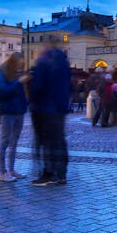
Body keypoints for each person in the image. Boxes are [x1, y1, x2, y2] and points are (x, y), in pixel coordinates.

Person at [29, 42, 72, 186]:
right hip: (60, 108)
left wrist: (33, 101)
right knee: (59, 141)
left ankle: (48, 174)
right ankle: (62, 174)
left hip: (45, 108)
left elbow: (38, 87)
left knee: (48, 142)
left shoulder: (44, 62)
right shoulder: (64, 63)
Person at [0, 52, 29, 182]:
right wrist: (18, 82)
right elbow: (3, 91)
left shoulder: (19, 73)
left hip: (19, 111)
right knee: (5, 141)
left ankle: (12, 170)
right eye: (18, 64)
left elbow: (22, 92)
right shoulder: (1, 72)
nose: (20, 67)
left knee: (15, 142)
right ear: (13, 62)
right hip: (7, 111)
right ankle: (2, 172)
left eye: (22, 64)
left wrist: (25, 103)